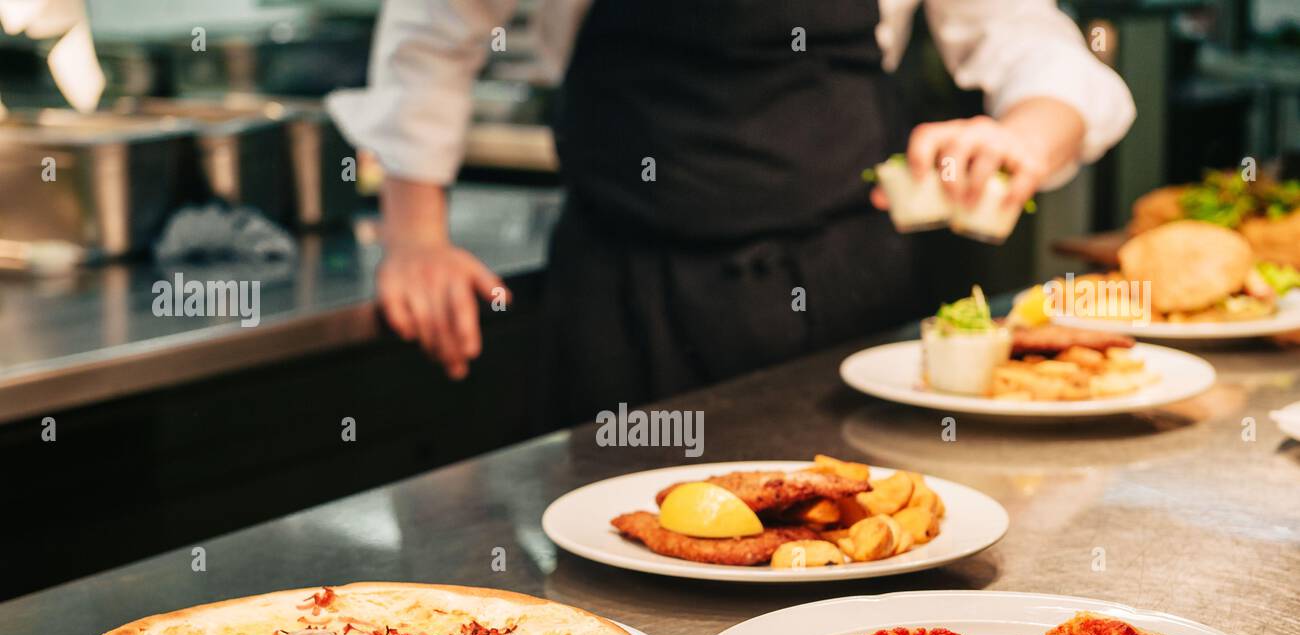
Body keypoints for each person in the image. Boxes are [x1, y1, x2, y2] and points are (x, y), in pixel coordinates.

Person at [328, 0, 1134, 418]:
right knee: (619, 596)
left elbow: (1030, 41)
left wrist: (1024, 136)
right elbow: (437, 30)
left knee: (854, 570)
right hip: (625, 294)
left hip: (842, 286)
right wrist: (415, 233)